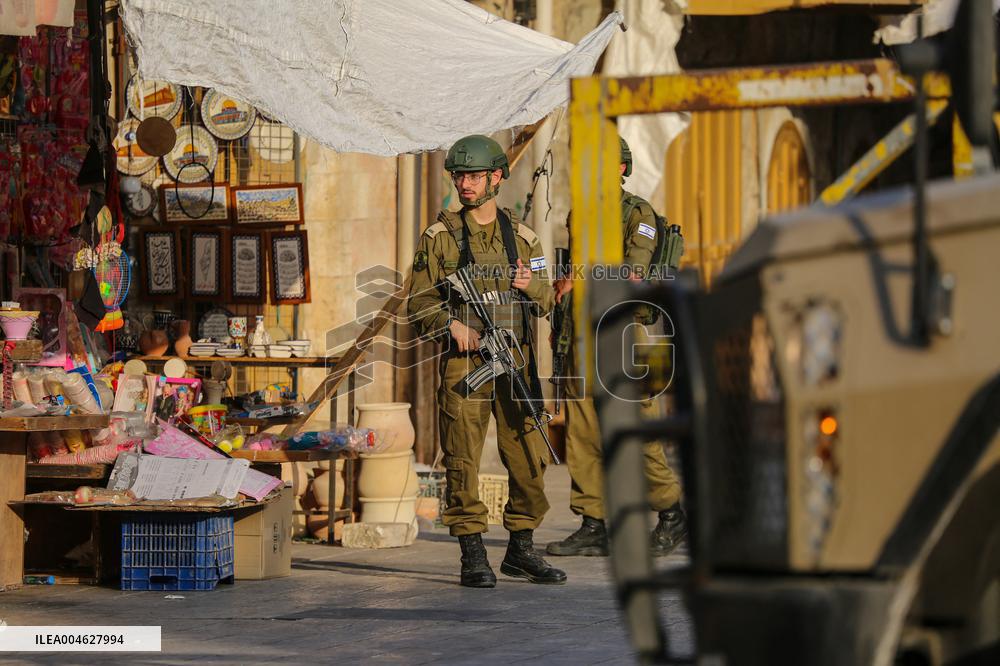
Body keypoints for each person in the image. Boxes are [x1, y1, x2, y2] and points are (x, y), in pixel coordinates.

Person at [406, 134, 566, 588]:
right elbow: (418, 302)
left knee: (530, 455)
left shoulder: (525, 238)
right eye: (459, 175)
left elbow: (546, 303)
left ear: (497, 177)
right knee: (462, 459)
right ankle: (473, 555)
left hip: (516, 363)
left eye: (473, 175)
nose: (464, 184)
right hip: (466, 366)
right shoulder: (440, 238)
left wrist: (529, 285)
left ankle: (521, 550)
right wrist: (452, 326)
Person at [546, 136, 687, 558]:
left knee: (634, 431)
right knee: (582, 435)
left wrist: (579, 280)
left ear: (621, 170)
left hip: (622, 337)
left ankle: (671, 514)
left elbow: (633, 274)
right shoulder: (579, 215)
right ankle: (593, 523)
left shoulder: (638, 213)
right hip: (581, 338)